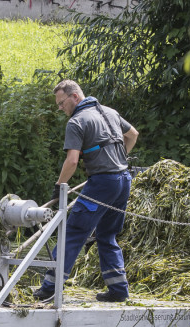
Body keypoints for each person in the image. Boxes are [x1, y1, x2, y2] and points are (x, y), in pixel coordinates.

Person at [34, 80, 139, 303]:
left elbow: (72, 161)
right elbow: (133, 135)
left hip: (101, 183)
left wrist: (58, 187)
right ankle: (118, 289)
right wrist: (120, 159)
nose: (60, 108)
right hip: (123, 180)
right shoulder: (109, 112)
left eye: (61, 103)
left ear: (75, 97)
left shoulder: (77, 121)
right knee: (106, 234)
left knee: (73, 232)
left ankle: (50, 286)